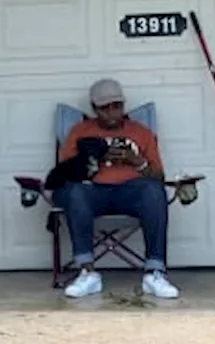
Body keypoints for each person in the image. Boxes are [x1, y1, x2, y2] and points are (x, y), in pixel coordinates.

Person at [54, 78, 180, 300]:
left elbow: (159, 176)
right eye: (105, 108)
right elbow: (64, 174)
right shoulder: (80, 131)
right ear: (94, 109)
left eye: (117, 106)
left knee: (154, 191)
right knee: (75, 192)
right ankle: (87, 272)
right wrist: (95, 159)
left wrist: (137, 161)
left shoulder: (140, 132)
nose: (112, 113)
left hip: (130, 192)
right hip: (93, 192)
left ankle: (155, 273)